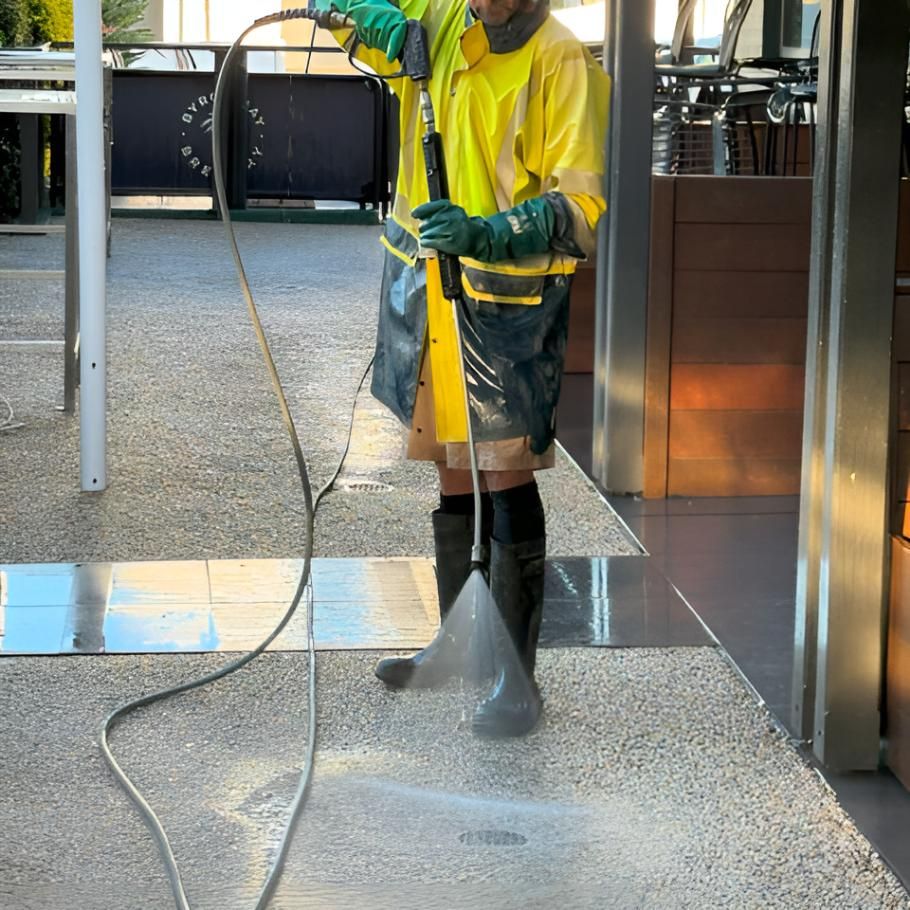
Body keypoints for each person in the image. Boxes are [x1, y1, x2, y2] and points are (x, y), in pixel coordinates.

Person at [319, 0, 609, 736]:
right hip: (429, 299)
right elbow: (339, 7)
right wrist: (359, 14)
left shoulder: (561, 58)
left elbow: (579, 210)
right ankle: (460, 647)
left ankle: (517, 678)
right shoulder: (438, 17)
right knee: (453, 462)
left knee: (503, 471)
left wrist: (487, 231)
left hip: (507, 309)